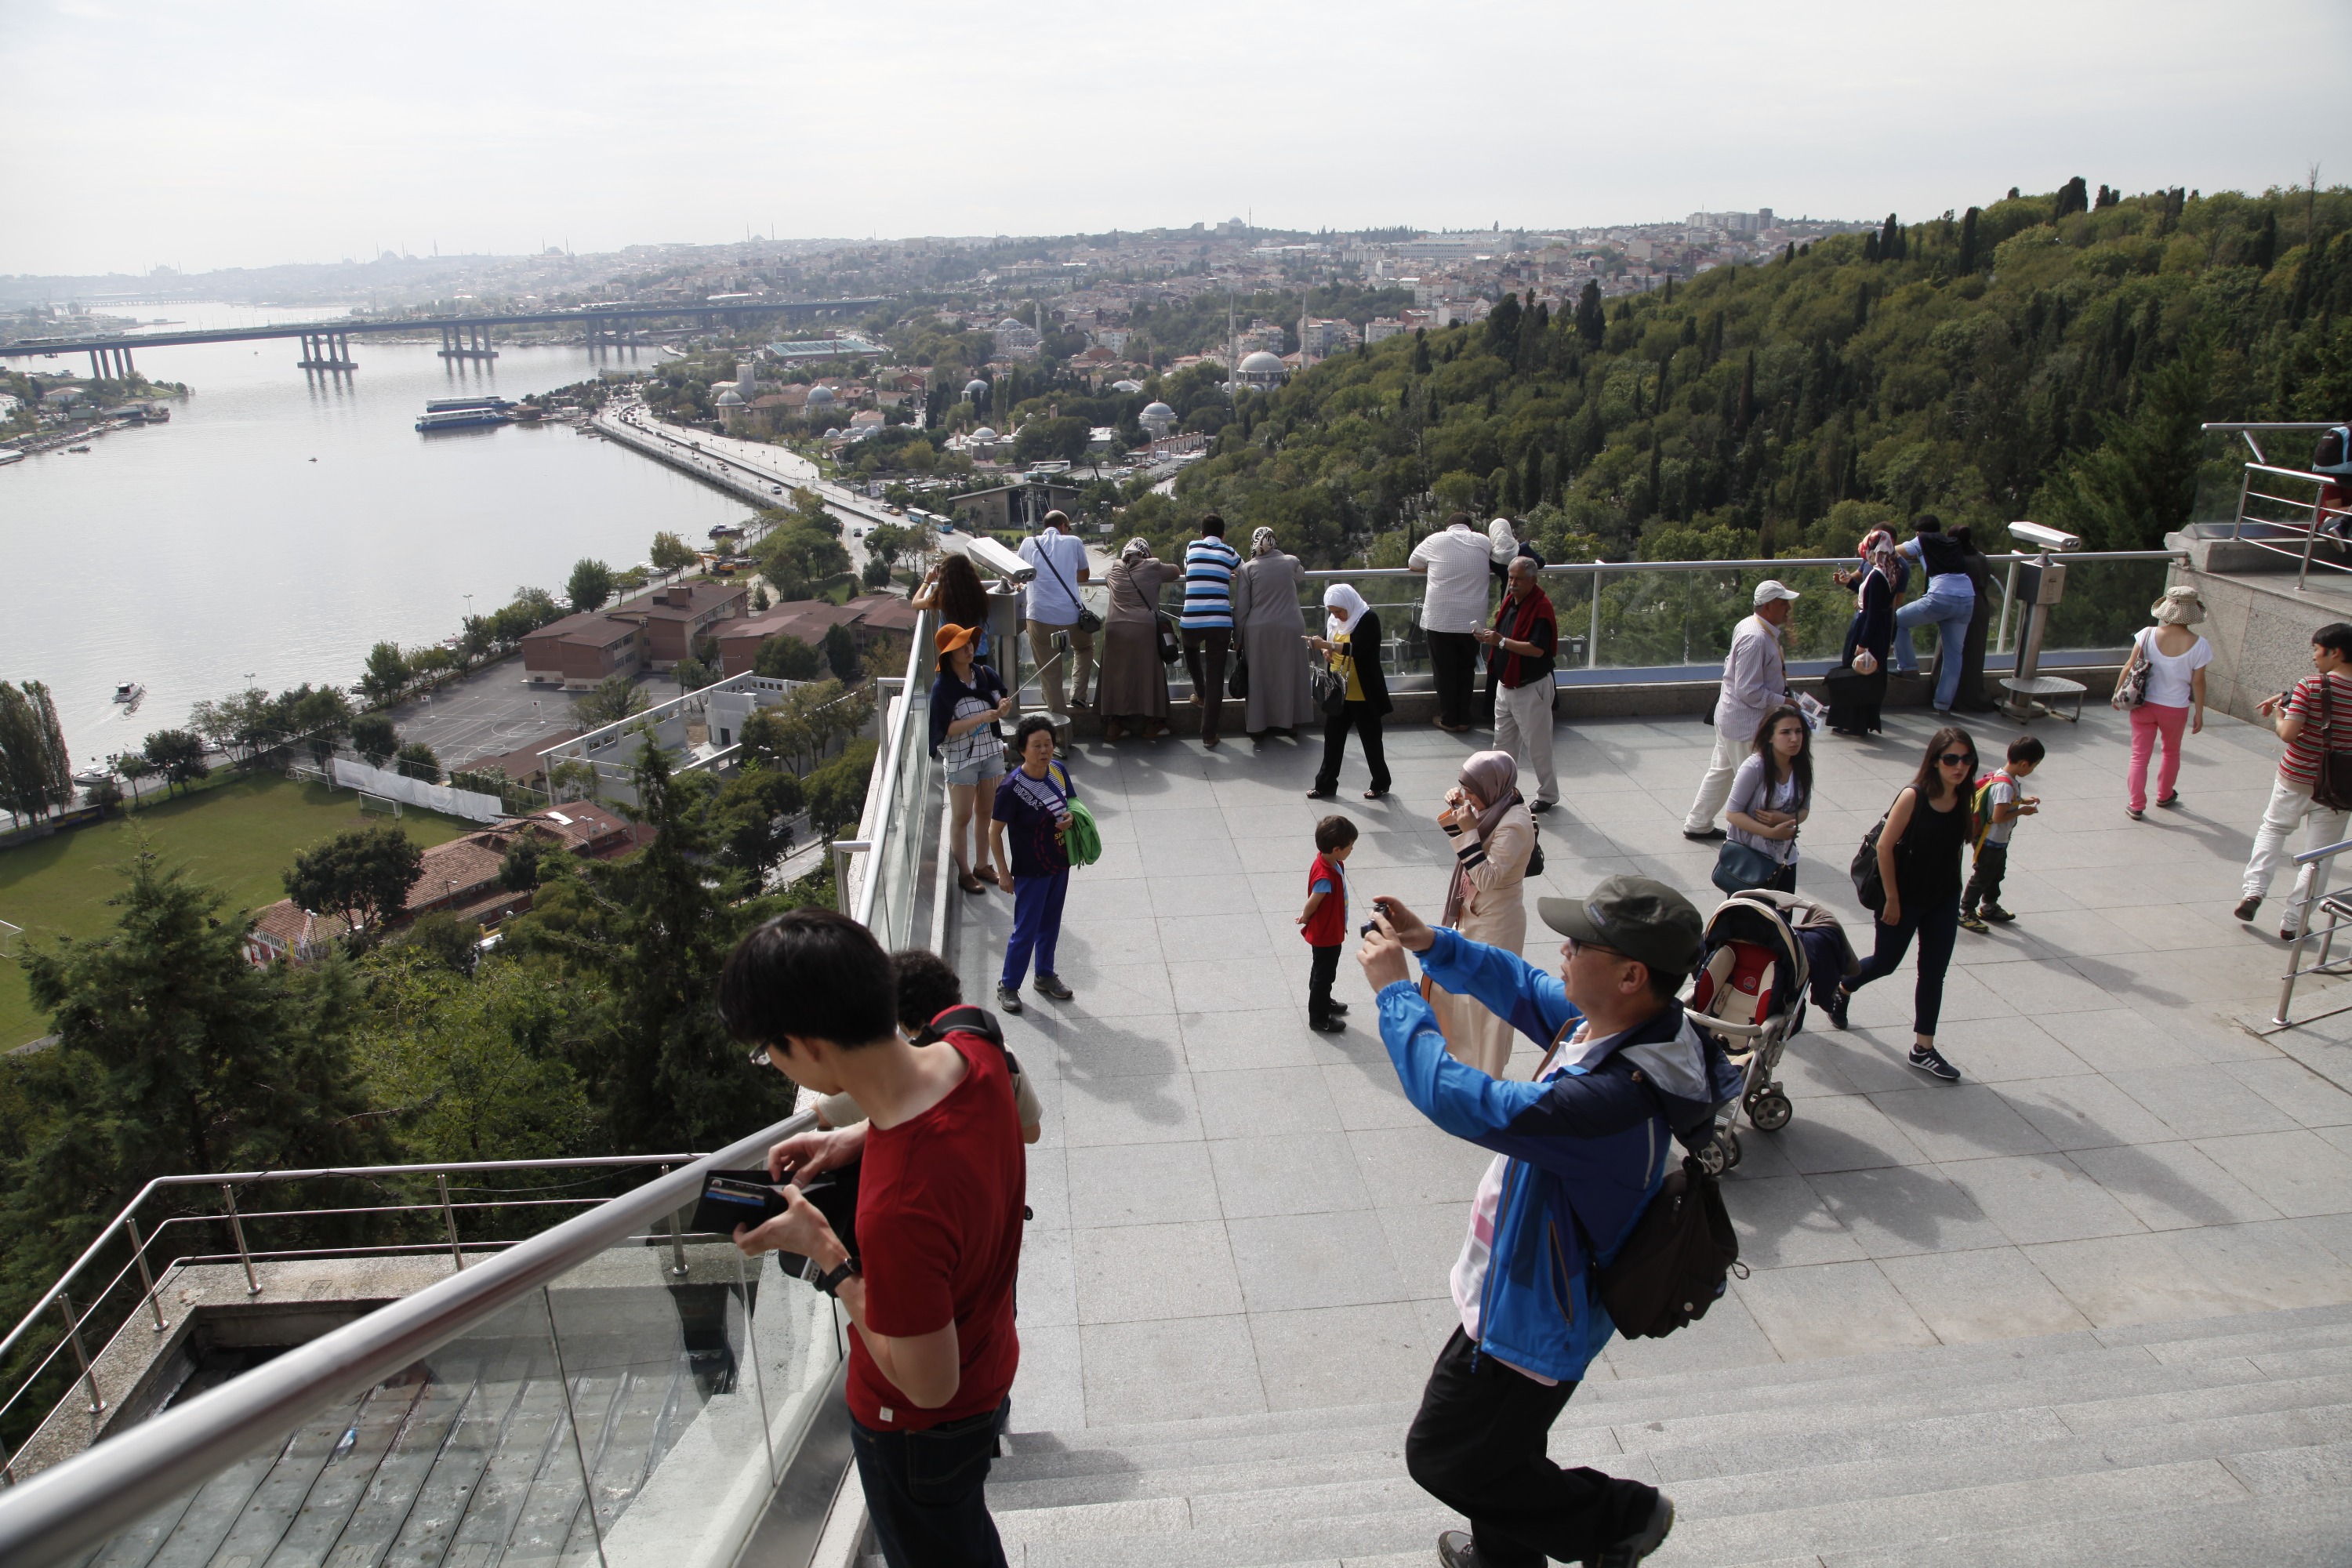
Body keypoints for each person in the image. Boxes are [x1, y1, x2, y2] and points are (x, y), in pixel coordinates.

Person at [1357, 876, 1708, 1568]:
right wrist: (1433, 943)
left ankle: (1620, 1519)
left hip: (1530, 1317)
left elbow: (1460, 1098)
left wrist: (1398, 994)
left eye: (1581, 944)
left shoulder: (1611, 1103)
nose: (1564, 951)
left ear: (1632, 974)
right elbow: (1522, 985)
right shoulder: (1624, 1029)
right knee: (1503, 1453)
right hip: (1538, 1289)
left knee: (1444, 1457)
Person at [720, 909, 1025, 1568]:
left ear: (805, 1044)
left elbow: (928, 1385)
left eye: (767, 1048)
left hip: (917, 1435)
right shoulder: (973, 1041)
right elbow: (933, 1106)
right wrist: (849, 1137)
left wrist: (825, 1251)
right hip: (992, 1356)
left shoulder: (898, 1208)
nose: (771, 1061)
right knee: (965, 1538)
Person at [1824, 726, 1978, 1083]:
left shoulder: (1965, 795)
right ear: (1935, 761)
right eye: (1951, 759)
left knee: (1933, 972)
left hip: (1942, 899)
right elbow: (1884, 847)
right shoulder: (1914, 796)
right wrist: (1892, 899)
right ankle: (1843, 986)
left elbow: (1958, 844)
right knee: (1886, 963)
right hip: (1904, 899)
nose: (1959, 767)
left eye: (1966, 759)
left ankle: (1923, 1048)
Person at [815, 948, 1044, 1145]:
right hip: (994, 1189)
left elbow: (819, 1115)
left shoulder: (886, 1075)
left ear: (900, 1019)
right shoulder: (999, 1052)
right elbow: (1032, 1133)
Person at [2236, 622, 2352, 938]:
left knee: (2273, 830)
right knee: (2319, 858)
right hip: (2339, 790)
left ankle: (2254, 892)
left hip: (2296, 778)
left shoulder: (2311, 685)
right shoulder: (2310, 685)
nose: (2314, 657)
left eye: (2317, 650)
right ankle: (2293, 923)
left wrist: (2279, 713)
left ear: (2335, 652)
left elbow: (2289, 733)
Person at [1433, 750, 1537, 1076]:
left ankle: (1488, 1075)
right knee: (1463, 998)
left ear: (1492, 785)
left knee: (1490, 1006)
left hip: (1497, 923)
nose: (1468, 796)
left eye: (1472, 790)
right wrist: (1458, 813)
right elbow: (1469, 850)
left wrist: (1467, 830)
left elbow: (1487, 877)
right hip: (1474, 915)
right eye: (1464, 788)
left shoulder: (1515, 824)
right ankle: (1466, 1065)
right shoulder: (1494, 806)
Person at [1682, 581, 1798, 840]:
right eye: (1782, 603)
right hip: (1745, 725)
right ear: (1768, 607)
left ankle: (1698, 823)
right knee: (1755, 780)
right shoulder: (1756, 638)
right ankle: (1754, 836)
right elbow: (1749, 690)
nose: (1788, 608)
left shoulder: (1750, 626)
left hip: (1734, 719)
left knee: (1722, 773)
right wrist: (1784, 702)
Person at [989, 716, 1076, 1013]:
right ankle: (1008, 986)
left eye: (1048, 744)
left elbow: (1073, 805)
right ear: (1022, 749)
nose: (1044, 750)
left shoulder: (1058, 771)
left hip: (1059, 863)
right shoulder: (1011, 787)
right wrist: (1003, 872)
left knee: (1051, 923)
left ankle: (1044, 975)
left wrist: (1070, 819)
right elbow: (994, 831)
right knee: (1025, 929)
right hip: (1030, 869)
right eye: (1036, 745)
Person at [927, 623, 1011, 895]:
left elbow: (1001, 703)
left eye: (970, 643)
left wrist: (1003, 708)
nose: (969, 648)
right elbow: (944, 729)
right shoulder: (943, 688)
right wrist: (981, 718)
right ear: (948, 654)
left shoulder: (985, 675)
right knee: (962, 816)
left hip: (990, 752)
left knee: (987, 812)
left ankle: (982, 865)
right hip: (961, 758)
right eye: (962, 646)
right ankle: (964, 872)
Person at [2120, 586, 2212, 821]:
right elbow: (2199, 682)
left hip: (2144, 704)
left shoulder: (2148, 634)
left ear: (2166, 609)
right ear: (2193, 614)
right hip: (2176, 708)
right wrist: (2199, 713)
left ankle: (2136, 804)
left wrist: (2118, 692)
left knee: (2139, 756)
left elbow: (2129, 666)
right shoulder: (2200, 644)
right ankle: (2164, 794)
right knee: (2171, 752)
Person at [1476, 555, 1560, 813]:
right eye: (1510, 577)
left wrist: (1500, 641)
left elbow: (1537, 649)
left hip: (1531, 688)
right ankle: (1501, 792)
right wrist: (1491, 638)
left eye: (1518, 579)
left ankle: (1547, 794)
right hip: (1506, 685)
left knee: (1538, 745)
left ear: (1533, 581)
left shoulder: (1541, 607)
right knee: (1502, 745)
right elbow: (1505, 636)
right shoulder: (1511, 602)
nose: (1512, 583)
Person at [1410, 513, 1494, 732]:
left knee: (1444, 671)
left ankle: (1449, 719)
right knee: (1467, 669)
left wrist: (1433, 567)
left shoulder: (1434, 540)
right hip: (1472, 620)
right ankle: (1464, 719)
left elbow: (1413, 563)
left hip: (1441, 619)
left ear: (1449, 526)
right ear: (1470, 527)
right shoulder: (1484, 541)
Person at [1308, 584, 1393, 800]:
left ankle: (1381, 783)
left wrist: (1327, 644)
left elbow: (1358, 649)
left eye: (1340, 611)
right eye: (1334, 612)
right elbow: (1333, 645)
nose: (1338, 616)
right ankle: (1325, 784)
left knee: (1371, 740)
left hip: (1364, 692)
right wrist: (1326, 651)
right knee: (1333, 738)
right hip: (1340, 691)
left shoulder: (1368, 619)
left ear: (1349, 603)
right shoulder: (1334, 622)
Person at [1231, 526, 1315, 740]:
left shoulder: (1248, 570)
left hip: (1258, 630)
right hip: (1291, 627)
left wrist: (1237, 638)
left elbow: (1241, 608)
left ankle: (1258, 725)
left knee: (1259, 677)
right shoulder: (1291, 561)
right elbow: (1301, 577)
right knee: (1290, 674)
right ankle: (1292, 722)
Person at [1724, 704, 1813, 894]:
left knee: (1780, 920)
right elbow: (1732, 813)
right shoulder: (1754, 767)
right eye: (1785, 732)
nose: (1794, 738)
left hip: (1785, 860)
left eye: (1799, 731)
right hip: (1749, 859)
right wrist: (1769, 831)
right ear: (1770, 737)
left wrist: (1783, 819)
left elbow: (1804, 810)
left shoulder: (1802, 766)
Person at [1961, 735, 2045, 934]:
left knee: (1996, 873)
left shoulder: (2003, 776)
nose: (2033, 770)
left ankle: (1989, 906)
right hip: (1991, 840)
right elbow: (1999, 816)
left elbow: (2004, 803)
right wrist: (2022, 811)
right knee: (1983, 875)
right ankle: (1966, 911)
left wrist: (2022, 800)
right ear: (2024, 764)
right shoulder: (2005, 786)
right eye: (2034, 766)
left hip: (1998, 840)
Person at [1890, 516, 1974, 713]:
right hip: (1967, 598)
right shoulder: (1952, 542)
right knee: (1954, 655)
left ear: (1918, 533)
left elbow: (1892, 552)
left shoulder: (1922, 540)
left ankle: (1908, 667)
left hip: (1941, 597)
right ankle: (1943, 705)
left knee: (1897, 620)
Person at [1097, 537, 1177, 740]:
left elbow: (1110, 582)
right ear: (1145, 554)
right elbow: (1175, 571)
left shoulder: (1114, 569)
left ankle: (1113, 726)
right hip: (1144, 628)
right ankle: (1154, 725)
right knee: (1150, 675)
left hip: (1114, 628)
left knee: (1116, 677)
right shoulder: (1153, 566)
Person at [1016, 510, 1093, 717]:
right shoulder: (1074, 542)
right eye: (1068, 527)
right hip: (1071, 616)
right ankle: (1078, 694)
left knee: (1050, 675)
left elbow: (1020, 576)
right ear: (1062, 526)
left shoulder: (1027, 544)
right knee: (1085, 648)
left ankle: (1061, 734)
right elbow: (1084, 576)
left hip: (1039, 617)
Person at [1177, 513, 1243, 747]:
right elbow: (1242, 572)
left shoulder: (1192, 546)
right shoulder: (1229, 552)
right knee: (1216, 676)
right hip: (1220, 623)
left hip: (1191, 621)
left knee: (1190, 648)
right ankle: (1208, 735)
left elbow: (1187, 567)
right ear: (1223, 535)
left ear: (1201, 533)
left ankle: (1200, 692)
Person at [1827, 532, 1896, 735]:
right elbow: (1874, 601)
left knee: (1857, 673)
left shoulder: (1876, 576)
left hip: (1867, 627)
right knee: (1868, 675)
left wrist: (1863, 643)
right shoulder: (1887, 572)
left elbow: (1872, 611)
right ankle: (1860, 721)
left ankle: (1854, 722)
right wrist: (1850, 583)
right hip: (1878, 629)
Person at [1298, 814, 1359, 1033]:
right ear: (1336, 849)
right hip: (1326, 934)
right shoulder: (1325, 875)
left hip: (1331, 929)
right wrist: (1305, 916)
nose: (1352, 850)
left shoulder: (1331, 862)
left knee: (1321, 970)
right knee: (1324, 975)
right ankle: (1319, 1017)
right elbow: (1314, 901)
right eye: (1350, 846)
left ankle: (1324, 1000)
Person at [913, 553, 994, 664]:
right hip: (978, 654)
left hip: (954, 654)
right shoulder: (980, 596)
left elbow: (915, 602)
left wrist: (927, 582)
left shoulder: (944, 599)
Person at [1952, 526, 2000, 713]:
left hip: (1961, 605)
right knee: (1974, 652)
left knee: (1956, 650)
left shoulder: (1958, 559)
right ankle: (1972, 694)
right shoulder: (1981, 557)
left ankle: (1955, 696)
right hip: (1980, 605)